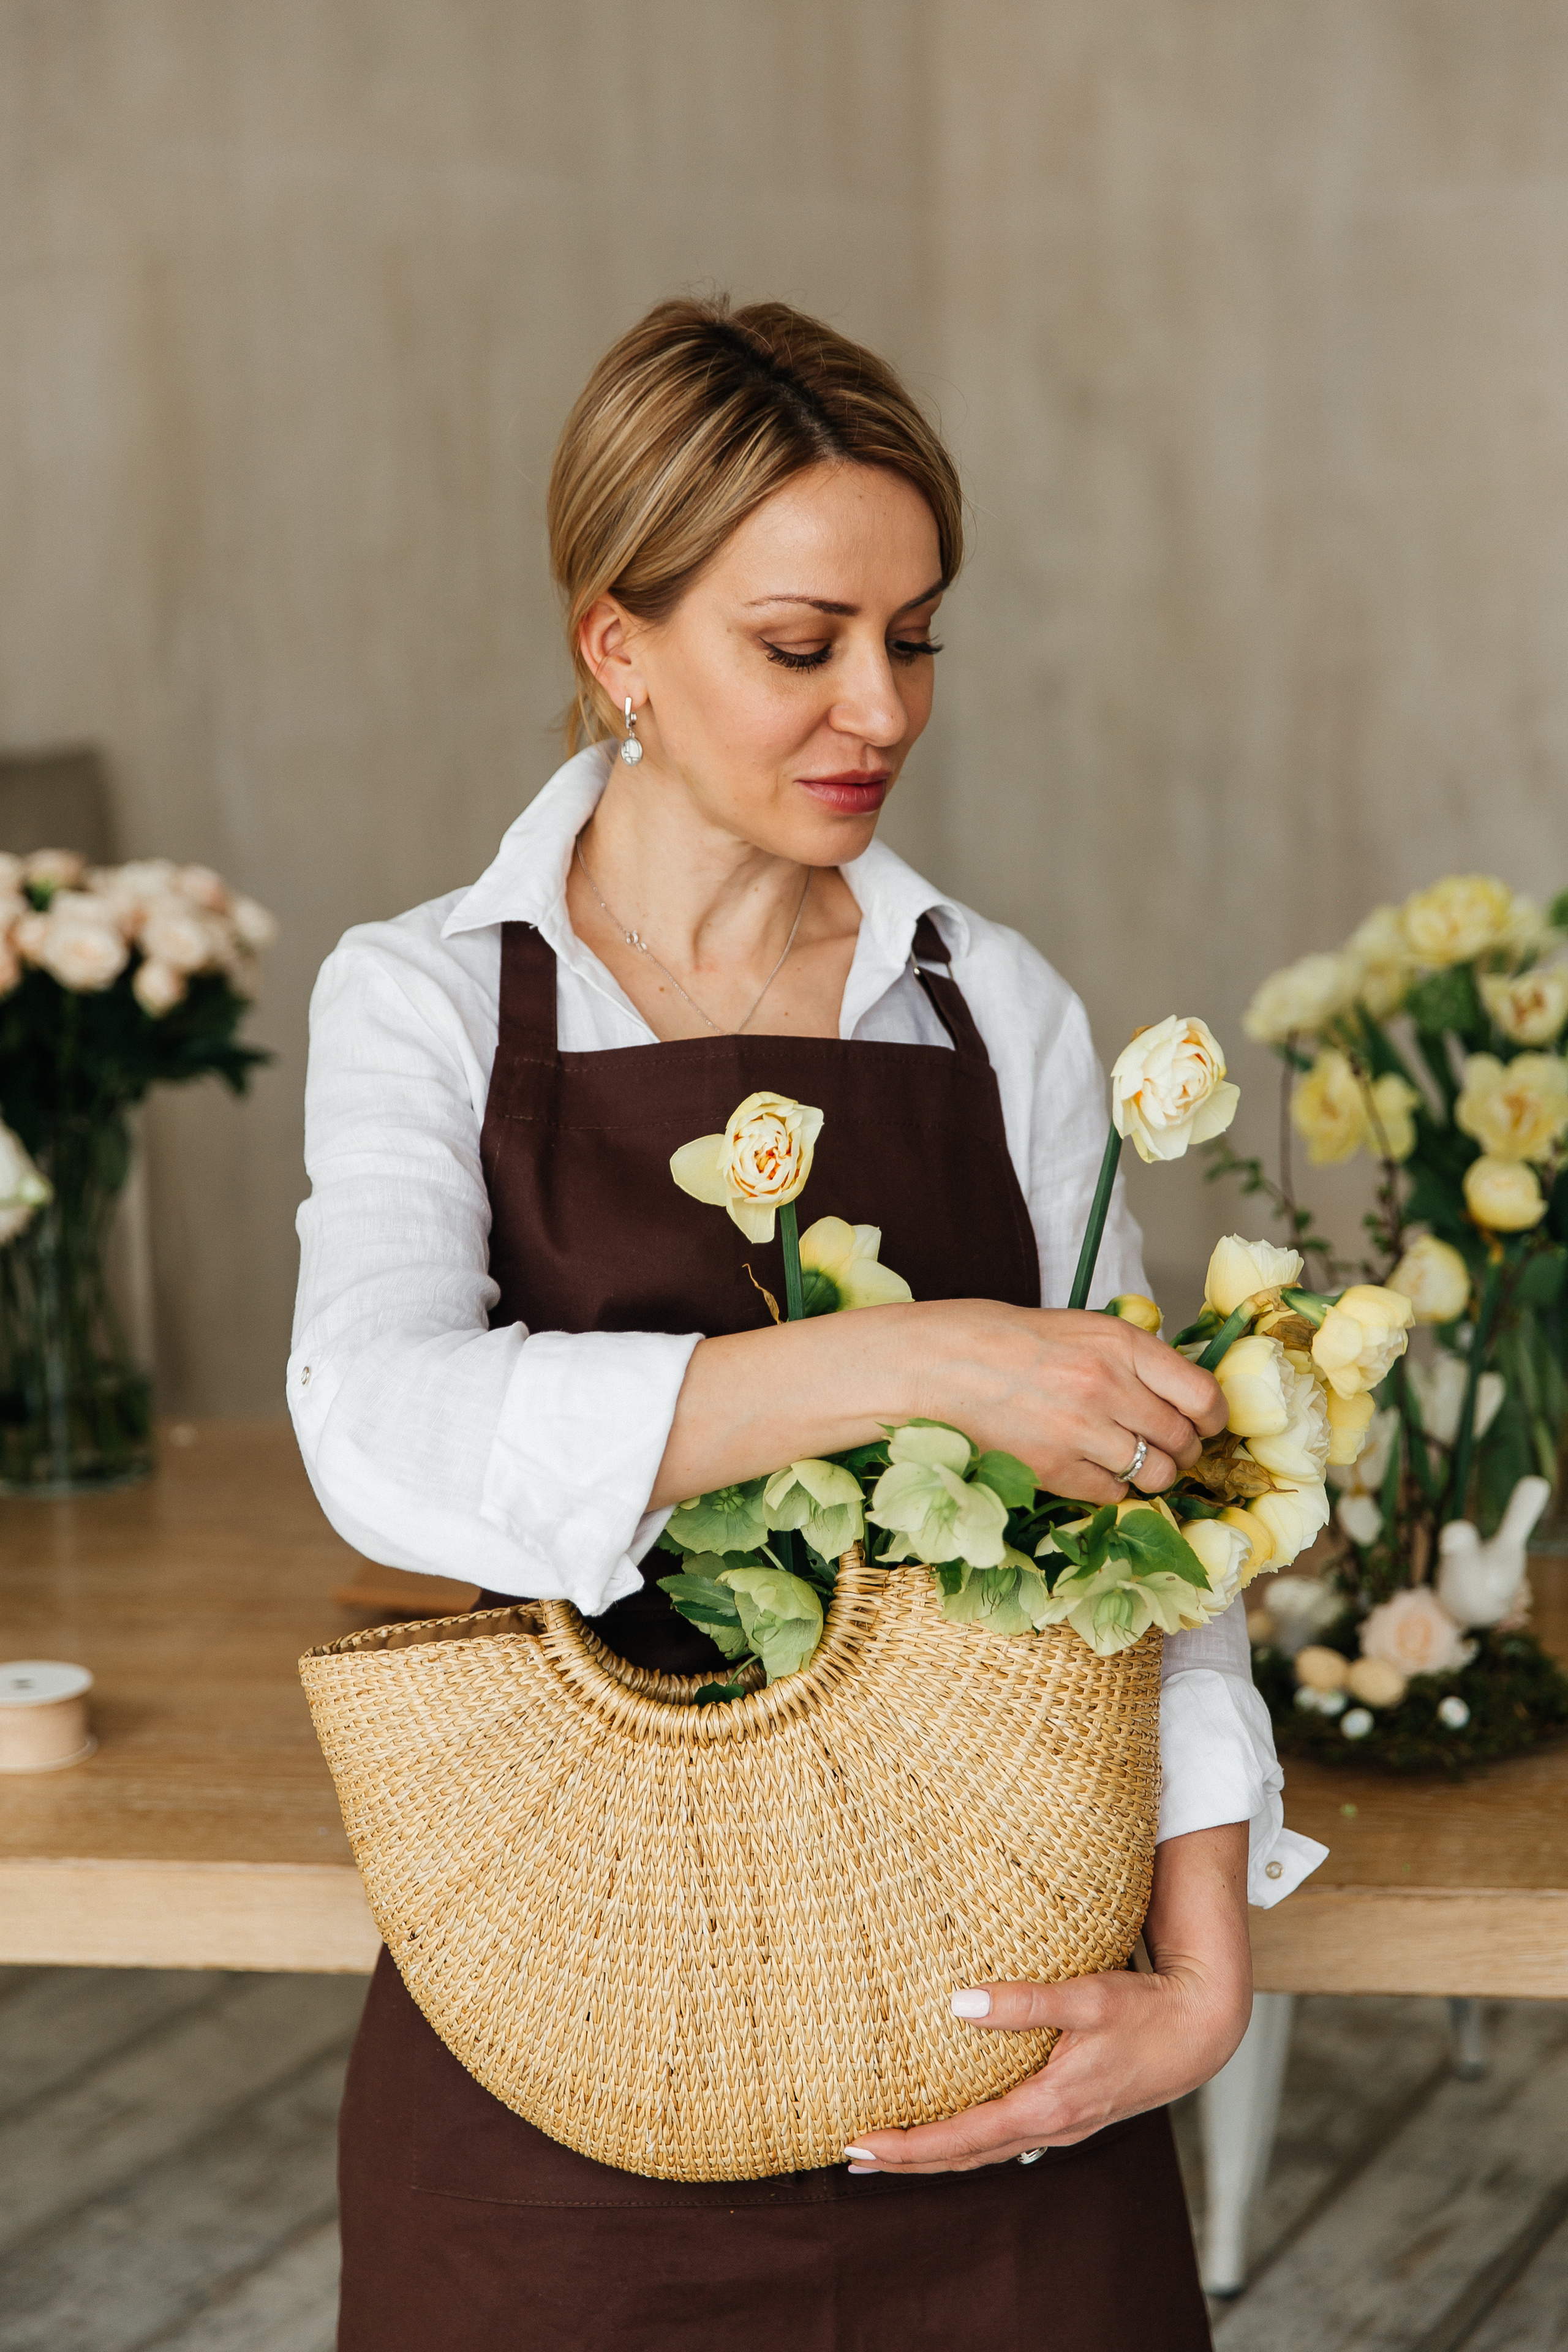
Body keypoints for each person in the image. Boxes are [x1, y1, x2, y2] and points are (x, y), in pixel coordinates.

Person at [291, 295, 1323, 2352]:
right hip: (550, 2090)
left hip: (1003, 2070)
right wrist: (929, 1358)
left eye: (914, 634)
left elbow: (1164, 1523)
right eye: (801, 645)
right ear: (619, 649)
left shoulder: (992, 1003)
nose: (884, 705)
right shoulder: (423, 996)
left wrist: (1197, 1981)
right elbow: (379, 1432)